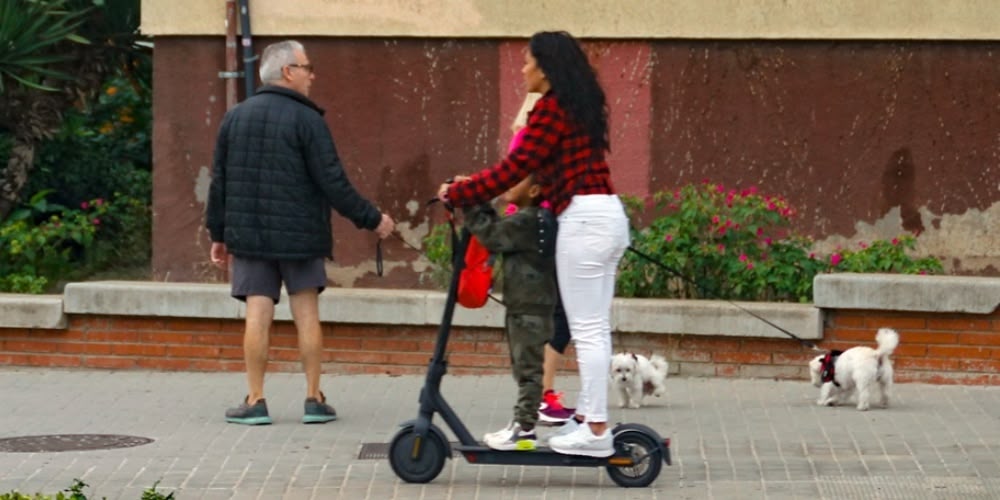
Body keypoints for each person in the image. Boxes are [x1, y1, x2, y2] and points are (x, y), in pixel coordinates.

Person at [439, 31, 629, 457]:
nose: (522, 69)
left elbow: (517, 167)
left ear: (545, 66)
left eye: (527, 62)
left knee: (587, 329)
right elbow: (534, 174)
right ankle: (590, 421)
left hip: (583, 221)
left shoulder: (550, 109)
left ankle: (595, 431)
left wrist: (462, 194)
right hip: (607, 216)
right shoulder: (579, 107)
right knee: (595, 328)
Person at [206, 40, 395, 425]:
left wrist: (218, 232)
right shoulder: (308, 121)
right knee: (306, 313)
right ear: (288, 72)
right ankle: (313, 398)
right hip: (301, 237)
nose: (312, 75)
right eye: (307, 67)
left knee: (257, 313)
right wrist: (372, 219)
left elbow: (219, 181)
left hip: (250, 235)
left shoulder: (235, 117)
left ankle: (255, 400)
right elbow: (333, 182)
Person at [464, 174, 556, 451]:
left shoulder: (528, 220)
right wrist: (478, 199)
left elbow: (492, 235)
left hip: (528, 307)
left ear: (535, 189)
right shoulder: (534, 218)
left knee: (528, 370)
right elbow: (498, 228)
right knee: (523, 368)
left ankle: (525, 429)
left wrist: (469, 202)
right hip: (528, 305)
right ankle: (521, 424)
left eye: (517, 182)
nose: (509, 186)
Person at [508, 92, 575, 425]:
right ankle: (543, 397)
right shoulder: (534, 144)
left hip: (540, 231)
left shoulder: (524, 140)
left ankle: (541, 394)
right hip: (544, 232)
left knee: (552, 316)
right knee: (561, 317)